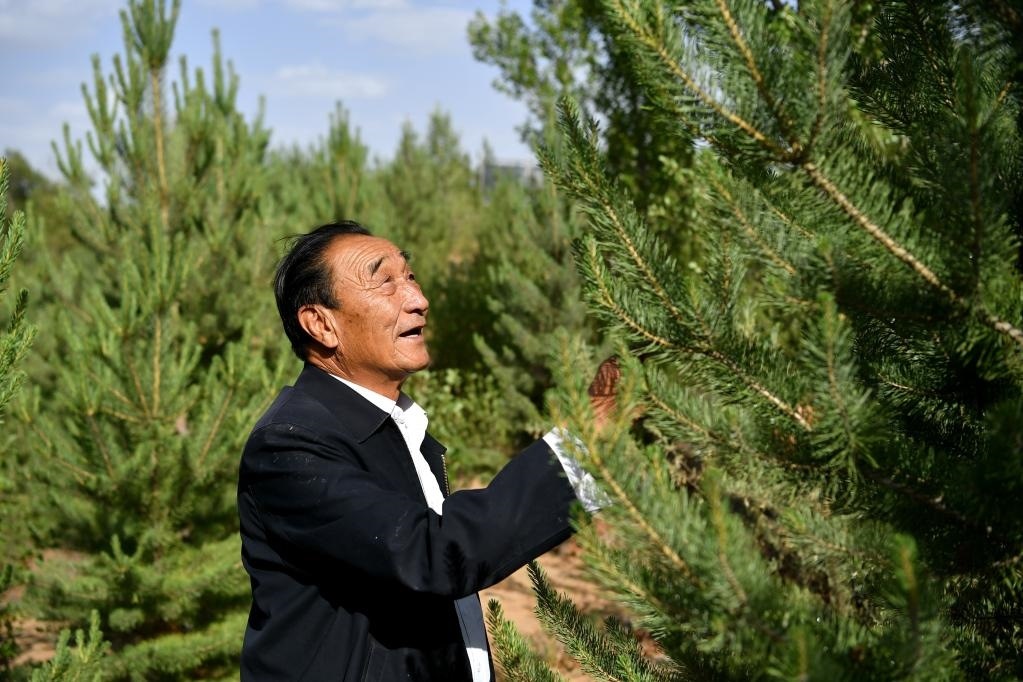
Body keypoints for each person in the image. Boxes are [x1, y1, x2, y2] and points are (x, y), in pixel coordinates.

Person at [238, 221, 616, 681]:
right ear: (321, 324)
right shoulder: (290, 444)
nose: (418, 299)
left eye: (410, 276)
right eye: (384, 282)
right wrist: (587, 433)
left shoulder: (390, 428)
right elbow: (433, 553)